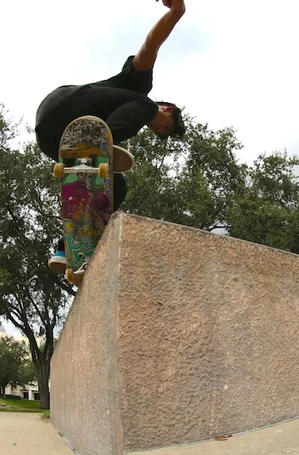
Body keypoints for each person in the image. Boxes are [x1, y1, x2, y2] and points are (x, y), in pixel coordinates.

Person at [35, 0, 187, 274]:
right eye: (164, 126)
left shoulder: (128, 115)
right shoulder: (140, 89)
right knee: (144, 104)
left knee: (117, 185)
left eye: (161, 133)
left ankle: (68, 248)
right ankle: (96, 144)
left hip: (52, 141)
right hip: (61, 106)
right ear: (169, 108)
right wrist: (176, 12)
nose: (157, 129)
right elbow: (150, 46)